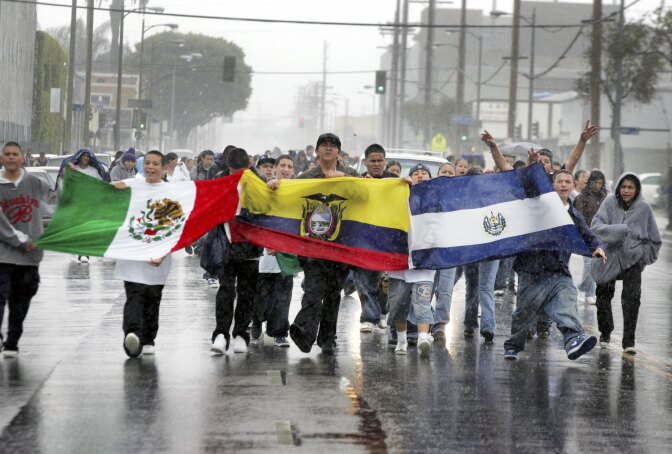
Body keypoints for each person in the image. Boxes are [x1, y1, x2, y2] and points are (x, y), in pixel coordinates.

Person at [483, 132, 607, 360]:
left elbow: (587, 234)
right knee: (523, 313)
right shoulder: (537, 198)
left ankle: (573, 341)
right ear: (552, 184)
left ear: (573, 187)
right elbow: (511, 173)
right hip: (531, 268)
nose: (563, 185)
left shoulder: (572, 211)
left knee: (567, 303)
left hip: (558, 269)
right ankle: (513, 346)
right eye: (559, 181)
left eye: (568, 182)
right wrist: (495, 148)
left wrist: (598, 247)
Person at [269, 133, 359, 355]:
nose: (328, 149)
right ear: (317, 150)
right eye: (324, 145)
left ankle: (327, 339)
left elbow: (367, 195)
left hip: (341, 246)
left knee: (332, 294)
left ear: (338, 151)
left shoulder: (351, 174)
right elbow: (288, 196)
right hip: (313, 248)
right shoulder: (307, 177)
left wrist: (344, 181)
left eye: (333, 146)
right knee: (312, 291)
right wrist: (274, 185)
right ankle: (304, 332)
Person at [109, 150, 173, 358]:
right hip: (133, 254)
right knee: (134, 296)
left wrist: (162, 253)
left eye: (156, 164)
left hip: (158, 256)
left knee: (153, 298)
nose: (151, 167)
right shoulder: (131, 185)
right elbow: (104, 194)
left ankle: (148, 339)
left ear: (163, 169)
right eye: (147, 163)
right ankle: (132, 334)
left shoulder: (172, 193)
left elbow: (175, 227)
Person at [590, 173, 661, 354]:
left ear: (637, 190)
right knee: (603, 297)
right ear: (618, 188)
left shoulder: (644, 209)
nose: (626, 191)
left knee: (632, 300)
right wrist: (618, 230)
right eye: (624, 187)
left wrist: (642, 256)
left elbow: (654, 240)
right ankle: (605, 332)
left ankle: (629, 341)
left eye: (631, 187)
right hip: (608, 257)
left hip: (632, 261)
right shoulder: (609, 202)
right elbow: (595, 227)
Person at [0, 142, 56, 357]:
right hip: (3, 254)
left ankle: (13, 340)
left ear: (22, 158)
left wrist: (73, 185)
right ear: (2, 158)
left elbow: (56, 202)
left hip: (30, 256)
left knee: (21, 299)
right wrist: (21, 240)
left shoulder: (35, 183)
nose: (11, 157)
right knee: (0, 295)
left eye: (15, 154)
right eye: (7, 154)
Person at [210, 148, 263, 355]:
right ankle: (220, 334)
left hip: (250, 247)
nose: (236, 176)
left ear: (249, 166)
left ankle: (241, 334)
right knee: (225, 291)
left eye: (240, 171)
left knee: (246, 293)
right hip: (226, 245)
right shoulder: (219, 180)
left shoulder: (258, 180)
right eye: (233, 171)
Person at [387, 163, 435, 356]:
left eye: (424, 173)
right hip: (399, 260)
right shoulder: (400, 196)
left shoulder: (437, 198)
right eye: (416, 173)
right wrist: (399, 186)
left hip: (424, 260)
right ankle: (401, 340)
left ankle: (424, 337)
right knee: (399, 304)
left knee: (422, 301)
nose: (420, 175)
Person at [252, 154, 297, 347]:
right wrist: (266, 241)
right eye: (283, 165)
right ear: (276, 168)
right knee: (261, 294)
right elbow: (259, 218)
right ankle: (256, 320)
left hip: (287, 253)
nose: (286, 169)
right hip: (265, 253)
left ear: (293, 171)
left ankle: (278, 332)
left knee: (283, 296)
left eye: (290, 166)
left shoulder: (297, 192)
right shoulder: (266, 190)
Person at [354, 144, 395, 333]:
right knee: (364, 279)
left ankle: (383, 312)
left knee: (384, 282)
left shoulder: (395, 181)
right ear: (365, 162)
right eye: (373, 161)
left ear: (385, 162)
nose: (377, 164)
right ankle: (368, 317)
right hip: (362, 239)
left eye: (380, 161)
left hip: (388, 240)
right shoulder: (356, 181)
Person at [462, 166, 499, 344]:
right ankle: (469, 324)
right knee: (472, 287)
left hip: (490, 249)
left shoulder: (494, 194)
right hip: (470, 249)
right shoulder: (462, 197)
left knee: (485, 287)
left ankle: (488, 326)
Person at [574, 170, 608, 304]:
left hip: (601, 236)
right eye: (595, 182)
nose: (598, 185)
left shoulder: (605, 197)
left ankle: (590, 292)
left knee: (596, 264)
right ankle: (582, 289)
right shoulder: (583, 197)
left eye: (600, 183)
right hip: (586, 235)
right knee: (589, 264)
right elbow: (579, 217)